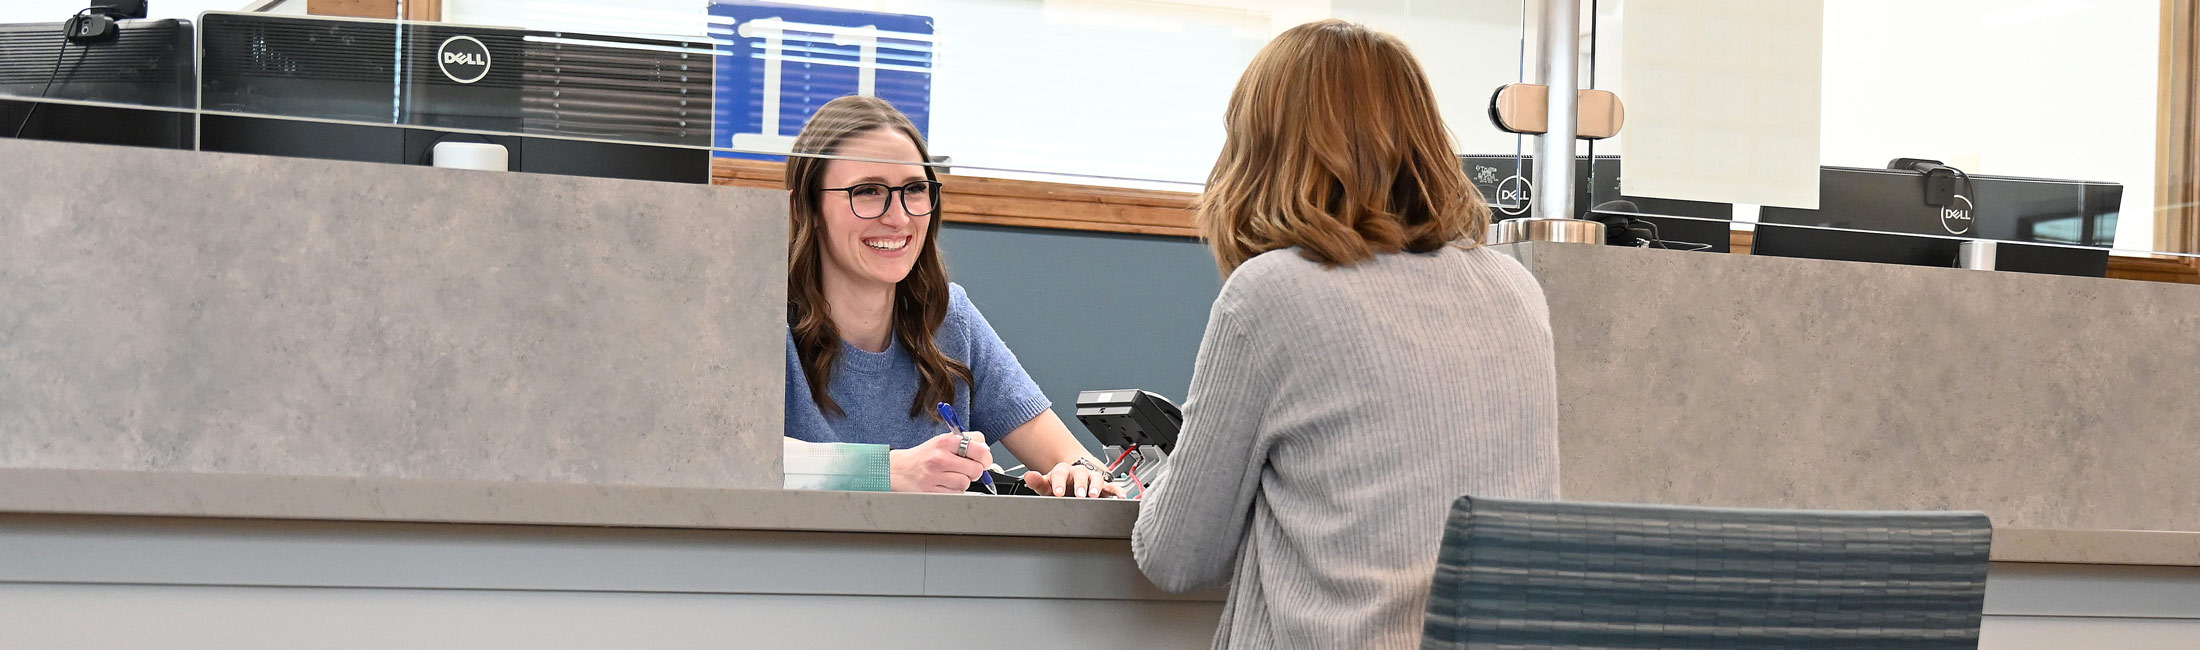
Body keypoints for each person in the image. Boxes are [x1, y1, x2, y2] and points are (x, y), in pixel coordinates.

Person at [1130, 19, 1561, 649]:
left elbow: (1176, 557)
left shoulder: (1272, 294)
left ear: (1260, 151)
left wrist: (1150, 467)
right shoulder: (1518, 292)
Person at [782, 95, 1121, 498]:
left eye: (914, 189)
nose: (899, 217)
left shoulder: (948, 315)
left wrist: (1079, 475)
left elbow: (1071, 457)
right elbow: (716, 458)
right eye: (868, 191)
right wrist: (888, 470)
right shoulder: (757, 318)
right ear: (806, 208)